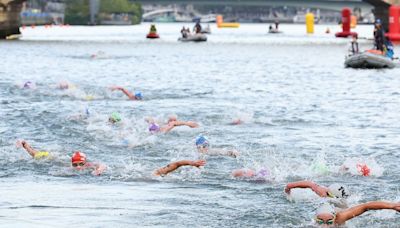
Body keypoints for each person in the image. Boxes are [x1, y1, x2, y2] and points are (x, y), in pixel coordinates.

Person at [314, 202, 400, 226]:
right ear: (315, 220)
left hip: (340, 207)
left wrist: (392, 205)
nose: (325, 226)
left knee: (344, 206)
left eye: (329, 222)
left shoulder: (340, 218)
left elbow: (366, 206)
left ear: (334, 218)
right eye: (320, 222)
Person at [285, 181, 350, 208]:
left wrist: (289, 187)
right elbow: (310, 184)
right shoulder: (322, 192)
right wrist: (290, 186)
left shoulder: (323, 193)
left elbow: (310, 184)